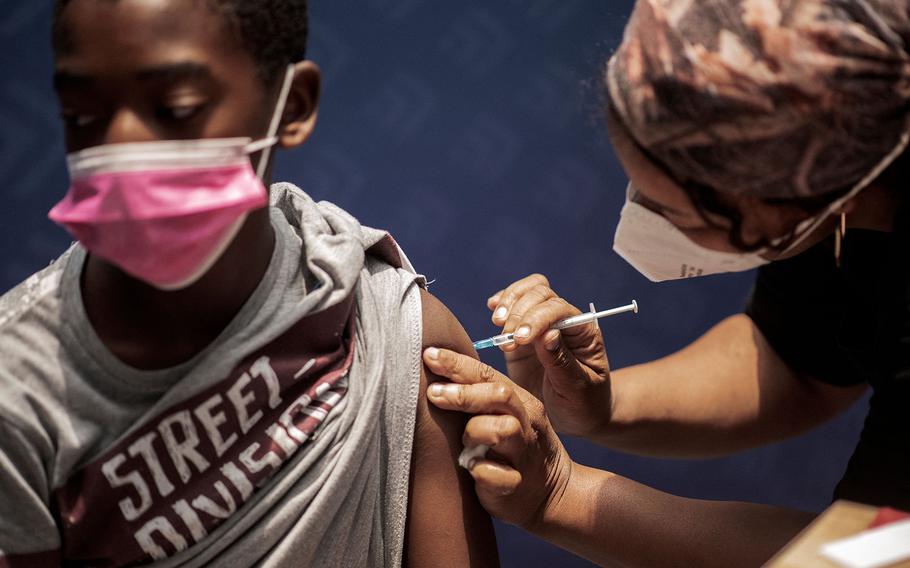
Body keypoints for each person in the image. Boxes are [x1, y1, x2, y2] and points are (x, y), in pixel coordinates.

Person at [0, 1, 498, 566]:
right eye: (82, 114)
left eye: (175, 108)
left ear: (293, 104)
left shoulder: (383, 330)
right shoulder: (16, 395)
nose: (120, 150)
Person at [423, 0, 910, 566]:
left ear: (834, 188)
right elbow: (799, 364)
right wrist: (596, 406)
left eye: (682, 214)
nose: (648, 224)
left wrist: (557, 494)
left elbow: (872, 553)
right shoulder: (830, 181)